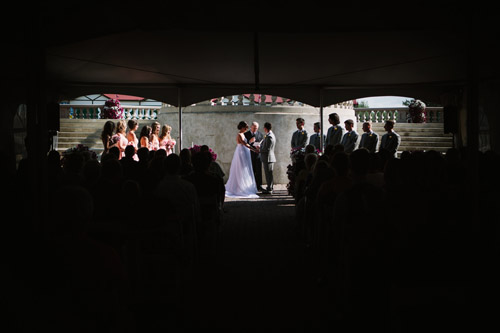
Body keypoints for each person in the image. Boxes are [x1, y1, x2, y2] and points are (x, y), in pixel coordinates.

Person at [225, 121, 259, 198]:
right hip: (241, 153)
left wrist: (252, 142)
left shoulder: (243, 134)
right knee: (241, 169)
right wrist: (254, 149)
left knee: (245, 169)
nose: (247, 129)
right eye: (246, 127)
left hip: (245, 153)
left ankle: (245, 186)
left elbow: (248, 143)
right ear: (242, 127)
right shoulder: (239, 135)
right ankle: (239, 187)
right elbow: (244, 144)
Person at [244, 121, 265, 192]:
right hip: (249, 155)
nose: (255, 129)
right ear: (251, 127)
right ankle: (250, 186)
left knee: (258, 171)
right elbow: (243, 144)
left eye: (256, 128)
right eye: (254, 128)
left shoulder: (260, 134)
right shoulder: (246, 134)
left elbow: (262, 143)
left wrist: (260, 147)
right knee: (250, 171)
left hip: (258, 155)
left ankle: (259, 186)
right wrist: (250, 142)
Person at [259, 122, 276, 194]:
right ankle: (270, 187)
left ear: (265, 128)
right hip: (267, 157)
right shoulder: (268, 135)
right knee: (268, 173)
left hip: (268, 157)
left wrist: (259, 149)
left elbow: (267, 149)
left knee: (268, 174)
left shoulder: (270, 136)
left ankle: (269, 188)